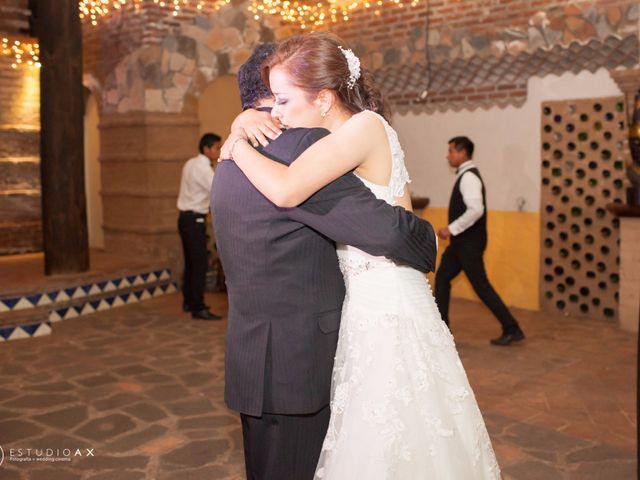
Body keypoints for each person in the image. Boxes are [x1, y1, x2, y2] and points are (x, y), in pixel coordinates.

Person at [220, 33, 500, 479]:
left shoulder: (363, 128)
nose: (276, 112)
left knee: (396, 430)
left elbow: (288, 189)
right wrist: (240, 124)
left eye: (284, 100)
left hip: (386, 300)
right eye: (271, 100)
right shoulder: (337, 135)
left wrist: (234, 144)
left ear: (325, 98)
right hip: (364, 303)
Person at [435, 137, 525, 346]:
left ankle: (512, 328)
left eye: (450, 151)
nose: (447, 156)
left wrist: (451, 228)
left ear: (462, 152)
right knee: (442, 279)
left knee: (481, 286)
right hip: (461, 244)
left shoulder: (469, 178)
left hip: (468, 244)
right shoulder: (466, 175)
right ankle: (441, 329)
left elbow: (476, 210)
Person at [177, 133, 223, 321]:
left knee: (190, 262)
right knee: (199, 265)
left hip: (184, 219)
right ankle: (198, 307)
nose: (218, 151)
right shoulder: (204, 169)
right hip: (195, 220)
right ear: (206, 149)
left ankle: (188, 301)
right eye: (216, 148)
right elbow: (217, 190)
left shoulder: (190, 163)